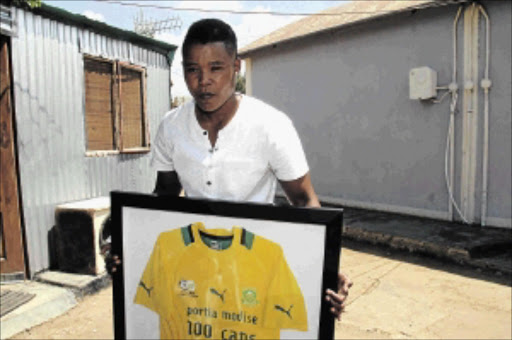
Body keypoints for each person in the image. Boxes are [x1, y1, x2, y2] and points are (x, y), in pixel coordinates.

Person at [105, 18, 352, 320]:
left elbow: (304, 202)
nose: (203, 80)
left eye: (215, 68)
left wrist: (327, 270)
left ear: (236, 67)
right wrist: (130, 248)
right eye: (192, 69)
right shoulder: (171, 127)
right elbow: (164, 199)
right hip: (192, 269)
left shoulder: (272, 126)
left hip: (255, 268)